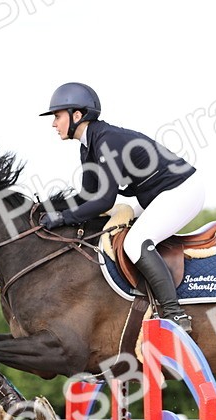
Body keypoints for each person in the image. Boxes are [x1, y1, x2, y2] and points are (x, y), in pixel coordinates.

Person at [38, 82, 203, 334]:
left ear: (77, 115)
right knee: (106, 229)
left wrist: (63, 217)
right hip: (155, 195)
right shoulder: (88, 146)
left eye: (57, 116)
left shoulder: (106, 141)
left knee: (135, 243)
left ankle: (175, 314)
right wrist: (50, 209)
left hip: (182, 191)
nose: (53, 123)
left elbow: (104, 201)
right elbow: (87, 196)